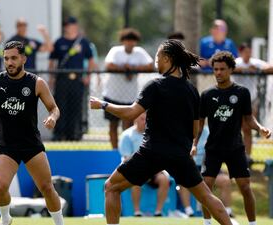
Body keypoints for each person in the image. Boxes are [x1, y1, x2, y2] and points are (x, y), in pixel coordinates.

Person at [90, 39, 233, 225]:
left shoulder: (155, 85)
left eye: (158, 57)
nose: (156, 62)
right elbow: (195, 128)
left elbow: (132, 112)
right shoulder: (191, 90)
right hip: (180, 154)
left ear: (167, 58)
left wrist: (103, 104)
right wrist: (186, 146)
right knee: (207, 197)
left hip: (153, 152)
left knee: (111, 187)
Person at [0, 41, 64, 225]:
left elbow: (54, 108)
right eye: (6, 58)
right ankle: (5, 219)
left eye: (14, 58)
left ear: (24, 58)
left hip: (31, 144)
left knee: (47, 188)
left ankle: (59, 223)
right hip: (6, 145)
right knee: (0, 187)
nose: (10, 62)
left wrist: (52, 118)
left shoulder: (36, 83)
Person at [195, 51, 272, 225]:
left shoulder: (242, 93)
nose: (219, 73)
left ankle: (252, 224)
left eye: (222, 69)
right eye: (215, 69)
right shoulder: (207, 95)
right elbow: (199, 124)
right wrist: (194, 144)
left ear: (231, 69)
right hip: (213, 148)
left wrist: (260, 128)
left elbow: (249, 119)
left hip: (235, 147)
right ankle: (207, 223)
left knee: (245, 186)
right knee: (206, 186)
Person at [103, 28, 154, 150]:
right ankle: (114, 150)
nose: (130, 43)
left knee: (128, 125)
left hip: (130, 96)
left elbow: (150, 65)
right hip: (112, 94)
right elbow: (109, 65)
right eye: (127, 40)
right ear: (123, 41)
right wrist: (126, 69)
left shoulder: (139, 52)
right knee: (113, 125)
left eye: (133, 41)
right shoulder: (116, 51)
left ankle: (126, 150)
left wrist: (133, 68)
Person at [48, 16, 97, 141]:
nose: (72, 27)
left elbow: (91, 61)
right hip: (62, 79)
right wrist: (52, 78)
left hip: (77, 79)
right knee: (60, 106)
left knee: (76, 107)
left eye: (74, 25)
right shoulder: (59, 42)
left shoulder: (83, 42)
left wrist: (88, 76)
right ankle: (58, 134)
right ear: (65, 27)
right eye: (69, 25)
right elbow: (52, 61)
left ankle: (75, 133)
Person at [118, 113, 169, 217]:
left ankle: (158, 212)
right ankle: (137, 212)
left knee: (164, 179)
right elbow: (126, 158)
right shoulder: (127, 135)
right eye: (142, 119)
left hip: (153, 169)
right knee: (135, 179)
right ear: (135, 119)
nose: (145, 122)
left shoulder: (153, 134)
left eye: (146, 119)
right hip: (136, 169)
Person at [178, 126, 235, 218]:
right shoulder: (185, 130)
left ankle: (228, 211)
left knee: (226, 181)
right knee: (183, 182)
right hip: (192, 166)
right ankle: (189, 211)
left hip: (209, 166)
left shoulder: (210, 131)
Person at [233, 42, 273, 160]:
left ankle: (248, 156)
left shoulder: (255, 62)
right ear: (241, 52)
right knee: (234, 128)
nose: (248, 54)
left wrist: (256, 69)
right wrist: (243, 70)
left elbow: (270, 67)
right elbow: (228, 68)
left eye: (249, 52)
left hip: (251, 99)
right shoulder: (237, 62)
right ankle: (235, 154)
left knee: (247, 128)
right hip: (235, 99)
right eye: (246, 52)